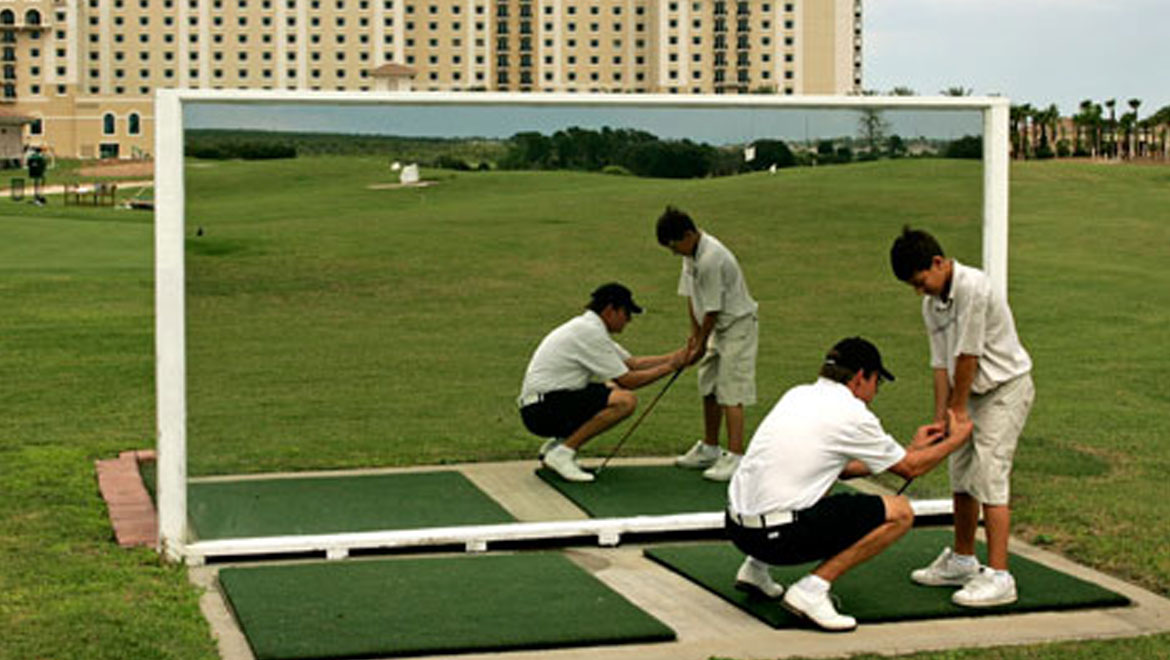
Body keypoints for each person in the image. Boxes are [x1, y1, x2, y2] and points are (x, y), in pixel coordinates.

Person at [726, 337, 973, 632]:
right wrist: (956, 440)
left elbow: (841, 469)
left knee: (820, 475)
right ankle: (812, 590)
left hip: (738, 529)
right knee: (900, 512)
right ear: (860, 378)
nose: (874, 393)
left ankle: (755, 569)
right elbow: (911, 469)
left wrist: (909, 449)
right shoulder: (853, 413)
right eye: (876, 383)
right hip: (777, 538)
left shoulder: (798, 394)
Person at [890, 226, 1035, 608]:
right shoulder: (931, 304)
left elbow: (967, 356)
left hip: (1005, 389)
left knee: (989, 473)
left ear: (938, 262)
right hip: (969, 393)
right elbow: (941, 364)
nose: (921, 292)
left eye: (922, 282)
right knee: (961, 474)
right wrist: (942, 420)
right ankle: (963, 559)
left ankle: (1001, 576)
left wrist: (957, 410)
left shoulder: (973, 287)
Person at [518, 283, 687, 483]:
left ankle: (557, 446)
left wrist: (681, 355)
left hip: (542, 404)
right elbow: (628, 380)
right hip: (541, 411)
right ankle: (563, 452)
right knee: (624, 400)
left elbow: (632, 364)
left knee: (612, 389)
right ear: (610, 310)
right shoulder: (589, 332)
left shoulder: (589, 327)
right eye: (626, 313)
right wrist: (671, 367)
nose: (629, 320)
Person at [656, 206, 758, 482]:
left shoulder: (712, 257)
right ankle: (711, 448)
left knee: (730, 390)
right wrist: (694, 336)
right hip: (715, 328)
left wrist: (701, 342)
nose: (674, 252)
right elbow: (692, 296)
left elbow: (713, 309)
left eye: (675, 245)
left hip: (737, 326)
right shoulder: (691, 254)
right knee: (708, 383)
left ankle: (736, 456)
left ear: (688, 234)